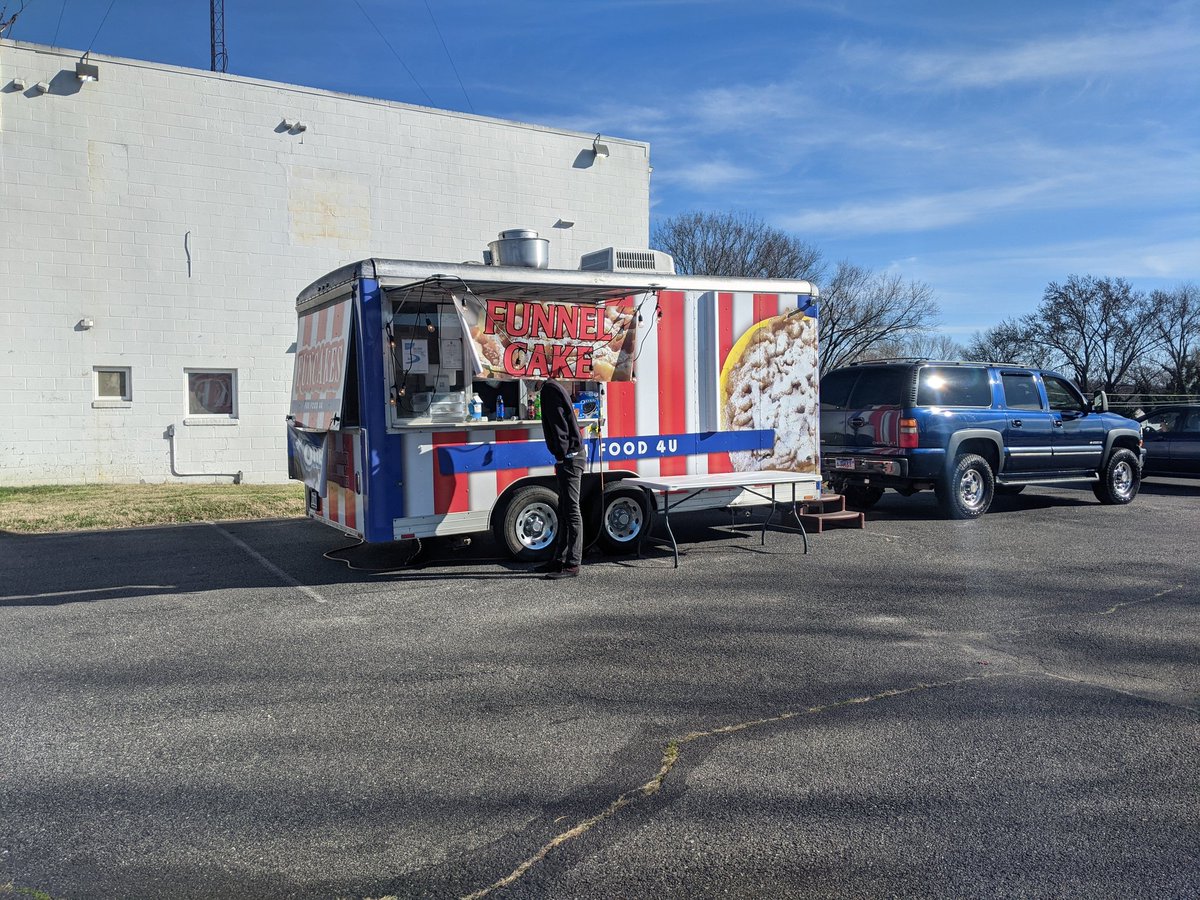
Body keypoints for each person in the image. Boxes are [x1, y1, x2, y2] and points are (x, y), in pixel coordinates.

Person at [534, 373, 584, 579]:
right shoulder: (553, 387)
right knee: (564, 510)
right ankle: (560, 559)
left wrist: (561, 456)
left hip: (570, 457)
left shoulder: (549, 390)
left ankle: (572, 564)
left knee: (571, 511)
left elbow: (559, 426)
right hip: (571, 456)